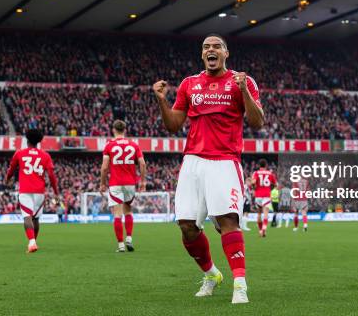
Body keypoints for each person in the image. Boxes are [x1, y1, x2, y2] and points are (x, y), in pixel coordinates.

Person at [153, 33, 264, 304]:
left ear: (226, 53)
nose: (211, 50)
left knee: (227, 221)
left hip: (224, 161)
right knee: (187, 226)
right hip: (192, 161)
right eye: (206, 47)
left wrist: (244, 92)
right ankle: (212, 274)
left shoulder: (243, 81)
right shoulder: (189, 84)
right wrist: (160, 100)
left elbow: (257, 122)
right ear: (202, 55)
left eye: (216, 46)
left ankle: (240, 283)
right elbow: (173, 125)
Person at [5, 129, 60, 253]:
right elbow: (51, 175)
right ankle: (34, 241)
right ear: (39, 141)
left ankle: (32, 242)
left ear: (27, 140)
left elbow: (11, 169)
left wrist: (7, 179)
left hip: (25, 190)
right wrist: (56, 193)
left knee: (27, 217)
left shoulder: (19, 154)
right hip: (40, 191)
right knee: (35, 219)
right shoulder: (45, 155)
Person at [100, 119, 147, 252]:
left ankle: (121, 245)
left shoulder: (109, 146)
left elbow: (104, 168)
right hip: (130, 183)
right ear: (125, 130)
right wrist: (143, 181)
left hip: (115, 183)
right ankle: (129, 238)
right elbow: (142, 164)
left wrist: (102, 183)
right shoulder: (134, 145)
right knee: (128, 210)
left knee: (117, 214)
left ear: (113, 130)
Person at [251, 159, 277, 237]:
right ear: (266, 165)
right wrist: (270, 188)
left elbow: (253, 182)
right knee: (265, 214)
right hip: (266, 195)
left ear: (259, 165)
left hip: (258, 195)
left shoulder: (256, 173)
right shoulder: (270, 173)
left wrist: (254, 188)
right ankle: (263, 229)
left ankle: (260, 230)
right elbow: (275, 184)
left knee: (259, 214)